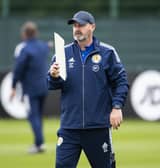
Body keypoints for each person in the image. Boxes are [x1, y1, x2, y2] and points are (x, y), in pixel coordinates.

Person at [47, 11, 129, 168]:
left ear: (92, 27)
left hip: (97, 128)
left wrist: (117, 107)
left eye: (81, 25)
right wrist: (53, 76)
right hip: (69, 128)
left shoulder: (107, 52)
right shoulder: (62, 53)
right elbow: (51, 84)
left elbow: (121, 81)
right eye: (75, 25)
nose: (77, 28)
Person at [10, 21, 49, 154]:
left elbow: (18, 69)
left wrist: (13, 86)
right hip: (44, 86)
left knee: (33, 116)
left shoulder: (25, 49)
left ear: (24, 34)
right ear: (36, 33)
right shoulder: (43, 46)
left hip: (31, 88)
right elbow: (48, 46)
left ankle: (39, 144)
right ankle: (40, 142)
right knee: (38, 115)